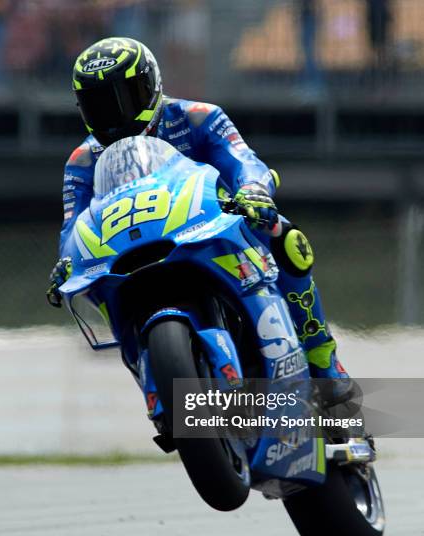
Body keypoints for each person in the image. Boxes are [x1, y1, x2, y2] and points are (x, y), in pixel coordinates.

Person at [47, 36, 349, 385]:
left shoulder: (199, 116)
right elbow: (73, 225)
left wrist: (252, 190)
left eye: (126, 97)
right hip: (131, 253)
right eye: (99, 105)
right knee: (96, 288)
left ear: (152, 85)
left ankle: (322, 356)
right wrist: (65, 262)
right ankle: (155, 384)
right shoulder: (81, 161)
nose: (116, 115)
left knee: (285, 235)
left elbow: (243, 162)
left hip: (211, 229)